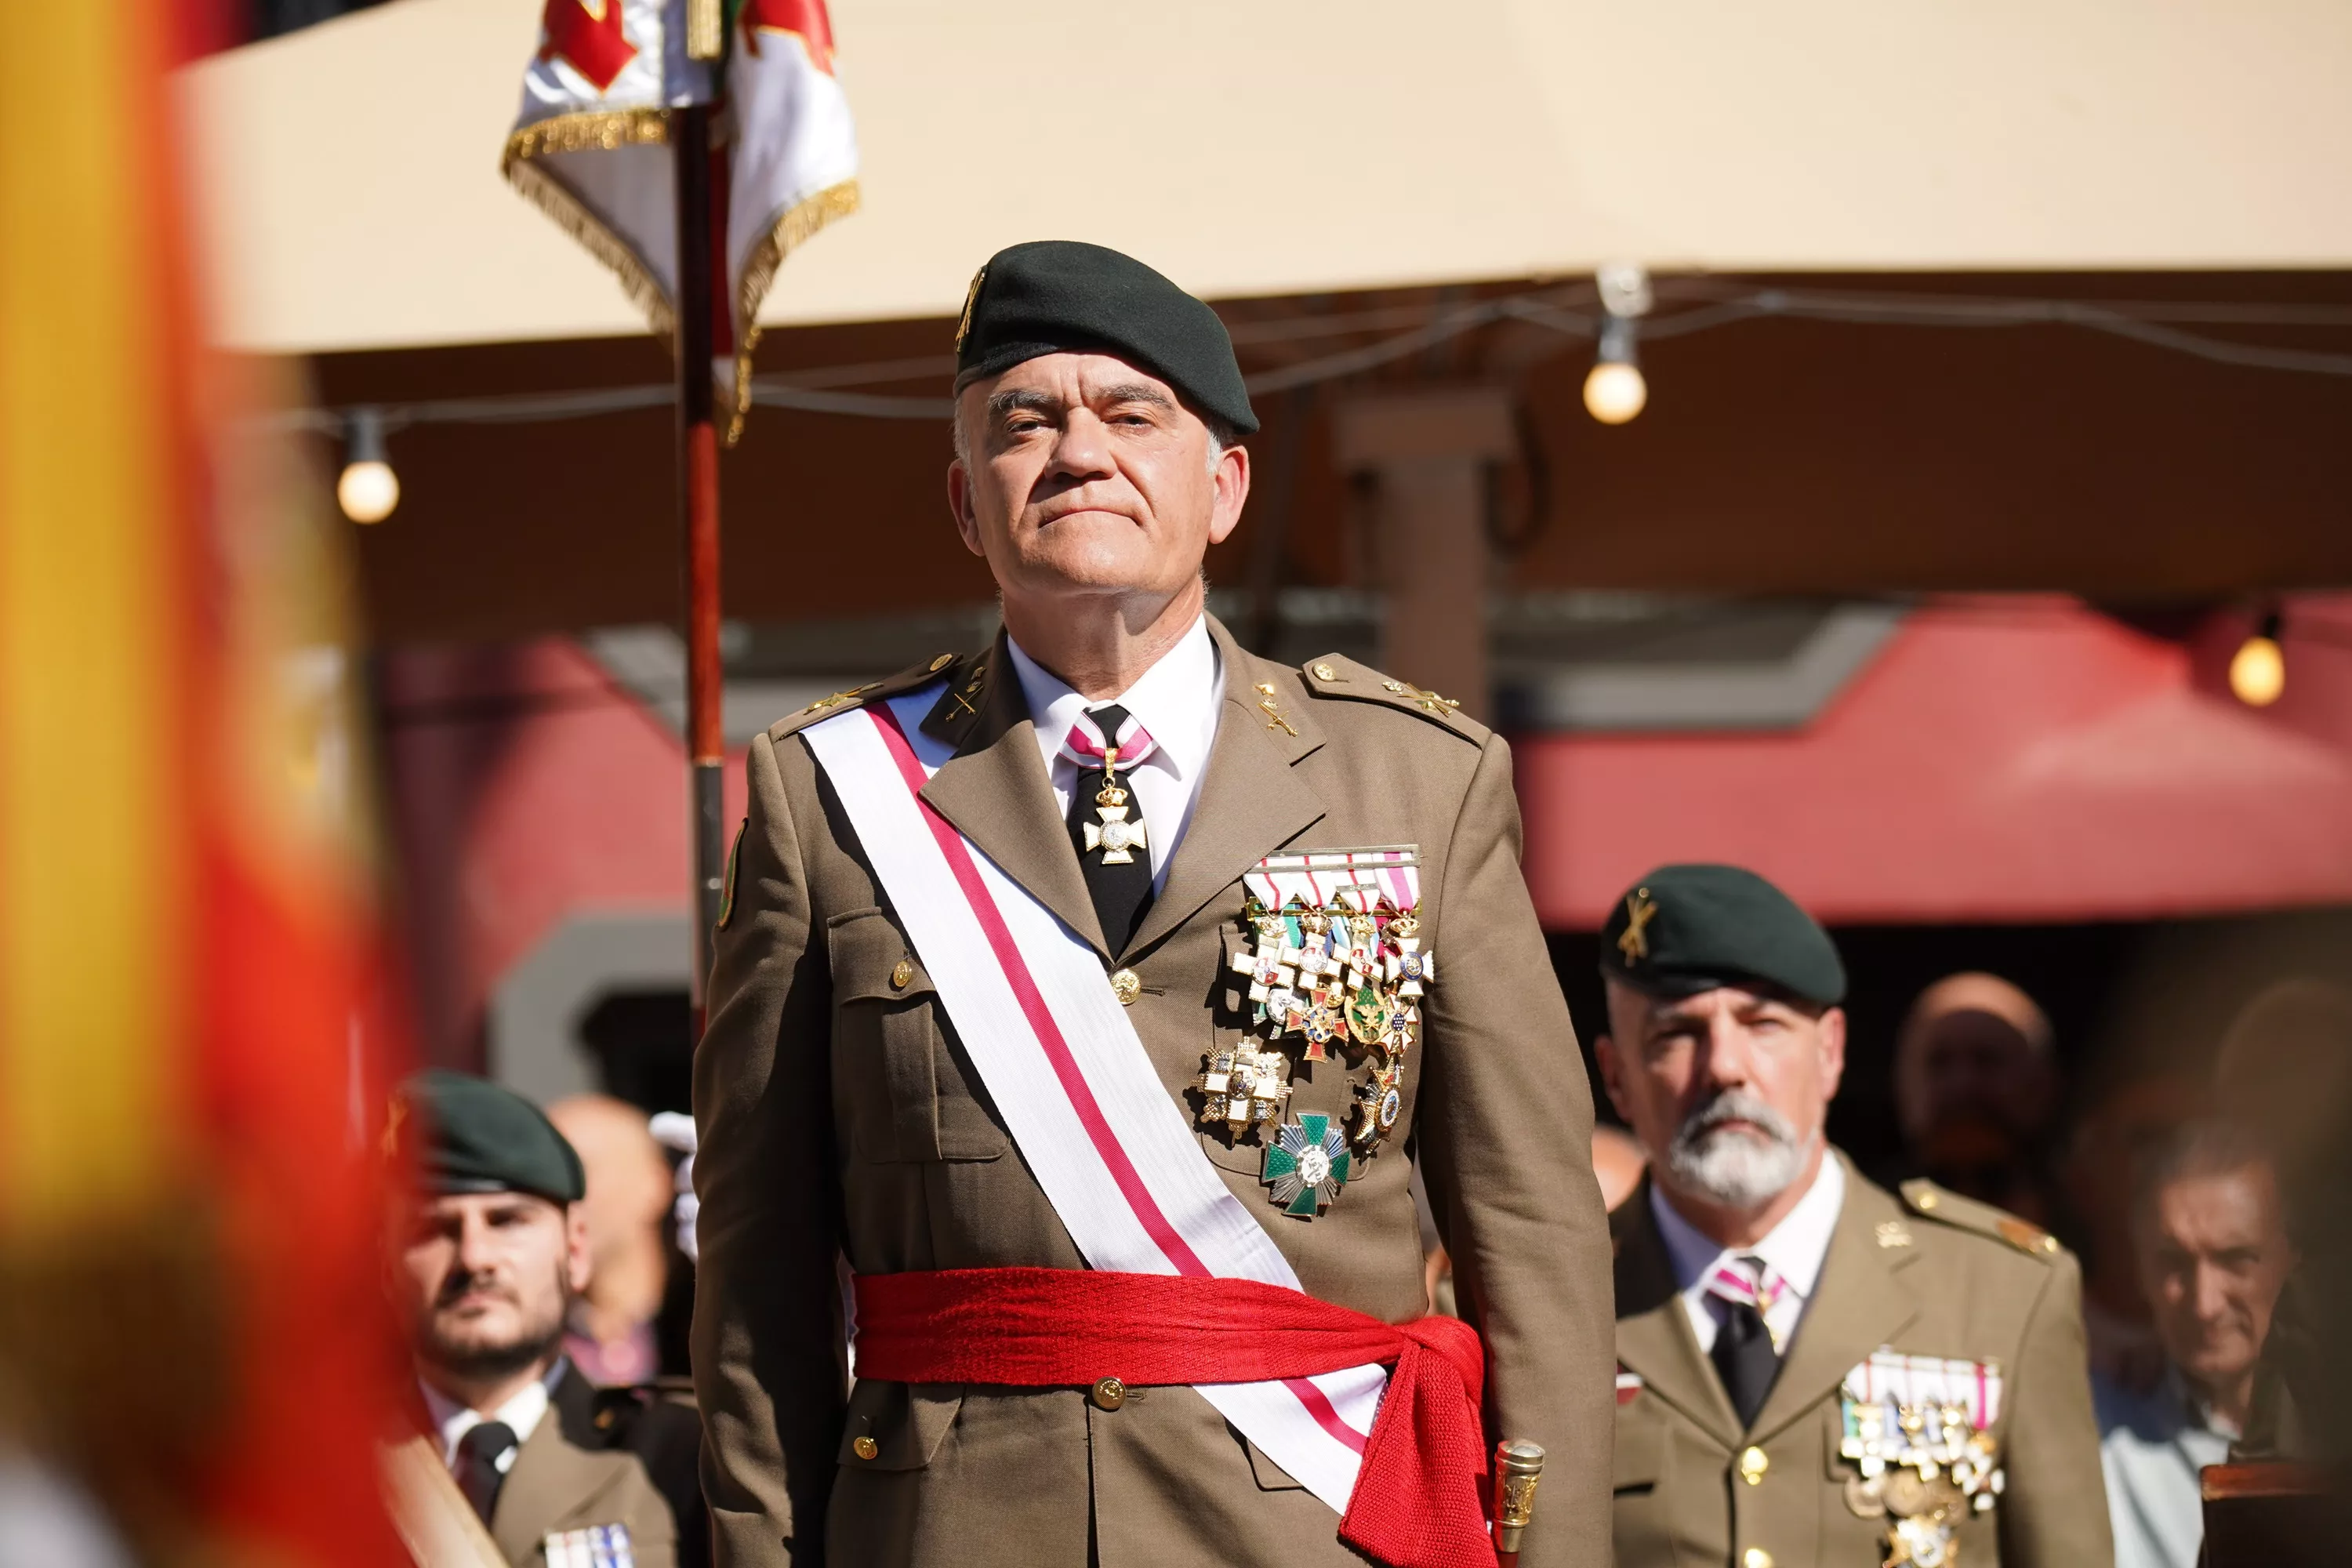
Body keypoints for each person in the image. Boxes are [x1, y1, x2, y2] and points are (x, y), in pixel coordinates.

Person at [692, 240, 1613, 1568]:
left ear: (1225, 487)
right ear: (966, 503)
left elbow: (1532, 1229)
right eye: (1026, 422)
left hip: (1310, 1526)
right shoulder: (828, 795)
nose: (1079, 452)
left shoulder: (1417, 781)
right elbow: (757, 1275)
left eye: (1132, 416)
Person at [1595, 864, 2111, 1568]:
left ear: (1831, 1052)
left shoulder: (2007, 1292)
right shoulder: (1544, 1301)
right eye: (1676, 1034)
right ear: (1616, 1077)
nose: (1725, 1068)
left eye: (1763, 1024)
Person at [387, 1070, 708, 1568]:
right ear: (385, 1264)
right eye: (434, 1228)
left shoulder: (681, 1455)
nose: (474, 1257)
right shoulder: (315, 1470)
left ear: (575, 1251)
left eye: (507, 1220)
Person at [2093, 1121, 2292, 1568]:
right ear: (2139, 1268)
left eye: (2236, 1259)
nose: (2205, 1304)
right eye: (2173, 1262)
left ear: (2292, 1261)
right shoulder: (2098, 1431)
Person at [1893, 972, 2061, 1225]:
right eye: (1939, 1062)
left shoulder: (2098, 1214)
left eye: (1987, 1060)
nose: (1962, 1085)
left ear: (2041, 1083)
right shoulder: (1863, 1216)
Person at [547, 1094, 675, 1386]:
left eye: (578, 1171)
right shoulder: (525, 1345)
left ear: (654, 1186)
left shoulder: (720, 1328)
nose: (559, 1194)